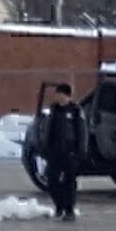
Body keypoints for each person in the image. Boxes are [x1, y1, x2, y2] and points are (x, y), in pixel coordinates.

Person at [44, 83, 86, 221]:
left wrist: (79, 151)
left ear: (66, 95)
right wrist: (46, 147)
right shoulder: (54, 110)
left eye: (59, 94)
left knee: (69, 182)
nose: (57, 97)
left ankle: (69, 210)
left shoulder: (75, 110)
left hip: (70, 152)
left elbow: (81, 132)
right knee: (51, 180)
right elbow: (48, 130)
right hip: (55, 152)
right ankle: (59, 206)